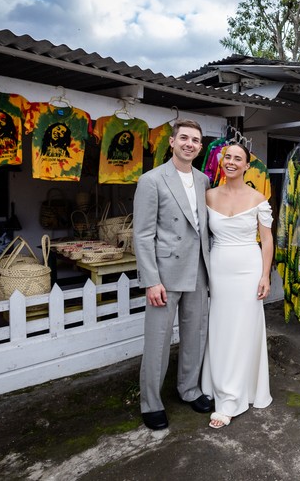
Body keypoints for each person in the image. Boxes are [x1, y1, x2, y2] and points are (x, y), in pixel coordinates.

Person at [133, 118, 212, 430]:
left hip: (198, 270)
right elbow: (142, 235)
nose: (189, 144)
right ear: (172, 142)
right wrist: (151, 280)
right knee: (158, 341)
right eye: (184, 138)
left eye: (195, 140)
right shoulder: (151, 180)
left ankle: (189, 389)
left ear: (200, 146)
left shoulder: (204, 180)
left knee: (195, 335)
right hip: (165, 274)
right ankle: (150, 402)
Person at [201, 142, 274, 429]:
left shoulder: (258, 198)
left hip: (248, 268)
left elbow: (266, 239)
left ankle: (232, 398)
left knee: (244, 329)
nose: (231, 162)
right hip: (218, 268)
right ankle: (215, 383)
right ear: (221, 161)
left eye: (238, 158)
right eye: (227, 157)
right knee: (220, 328)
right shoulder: (207, 196)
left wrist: (265, 275)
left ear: (247, 165)